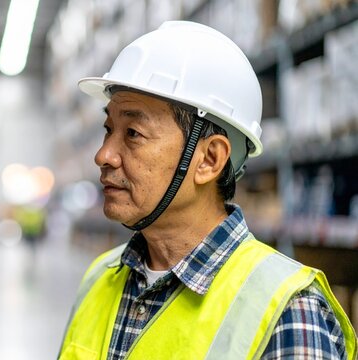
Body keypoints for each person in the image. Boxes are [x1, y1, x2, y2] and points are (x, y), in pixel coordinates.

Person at [59, 21, 356, 359]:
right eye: (108, 129)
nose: (103, 155)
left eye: (133, 134)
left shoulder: (289, 314)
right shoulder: (99, 278)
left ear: (209, 159)